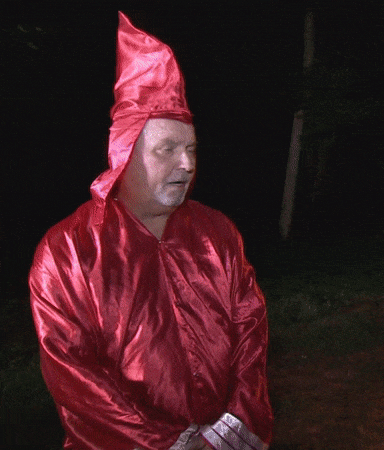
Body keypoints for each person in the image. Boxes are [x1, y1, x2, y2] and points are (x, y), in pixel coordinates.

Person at [28, 12, 273, 450]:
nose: (187, 164)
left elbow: (249, 326)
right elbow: (71, 372)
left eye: (192, 149)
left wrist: (235, 423)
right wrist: (169, 443)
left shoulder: (216, 232)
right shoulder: (68, 250)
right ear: (125, 156)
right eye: (168, 150)